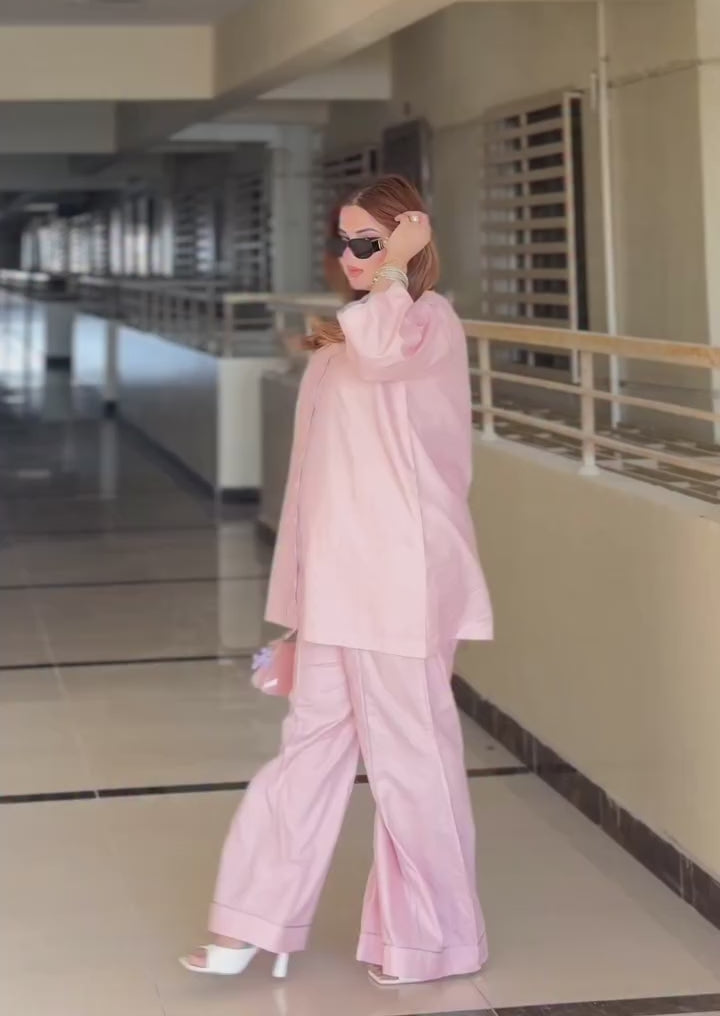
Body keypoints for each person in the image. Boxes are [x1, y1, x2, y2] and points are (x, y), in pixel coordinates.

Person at [181, 174, 493, 987]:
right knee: (305, 754)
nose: (352, 256)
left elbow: (387, 354)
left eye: (369, 241)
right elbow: (312, 488)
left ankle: (436, 938)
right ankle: (254, 922)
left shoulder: (425, 322)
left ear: (407, 240)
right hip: (333, 592)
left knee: (412, 764)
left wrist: (396, 270)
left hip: (400, 587)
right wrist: (295, 606)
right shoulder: (341, 343)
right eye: (345, 241)